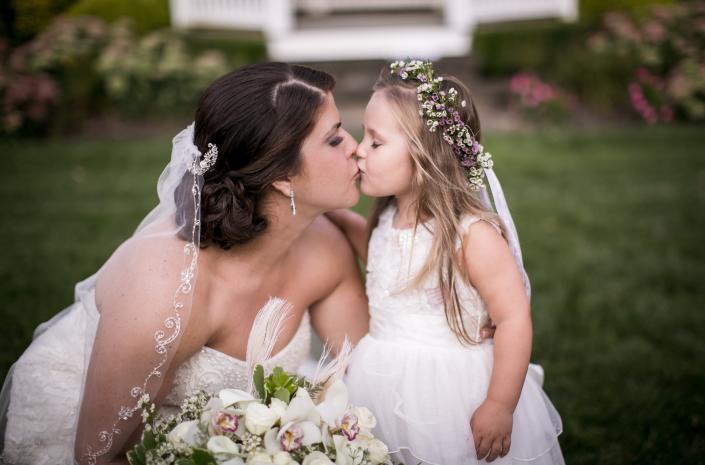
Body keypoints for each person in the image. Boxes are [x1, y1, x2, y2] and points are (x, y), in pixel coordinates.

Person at [0, 62, 369, 465]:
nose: (357, 146)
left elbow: (365, 378)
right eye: (334, 139)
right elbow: (96, 454)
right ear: (282, 176)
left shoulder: (327, 249)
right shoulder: (166, 290)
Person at [327, 60, 564, 464]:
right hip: (380, 377)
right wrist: (326, 209)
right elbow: (385, 261)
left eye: (375, 142)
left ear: (425, 158)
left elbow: (513, 318)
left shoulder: (470, 235)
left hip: (451, 391)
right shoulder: (387, 216)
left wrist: (499, 404)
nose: (358, 150)